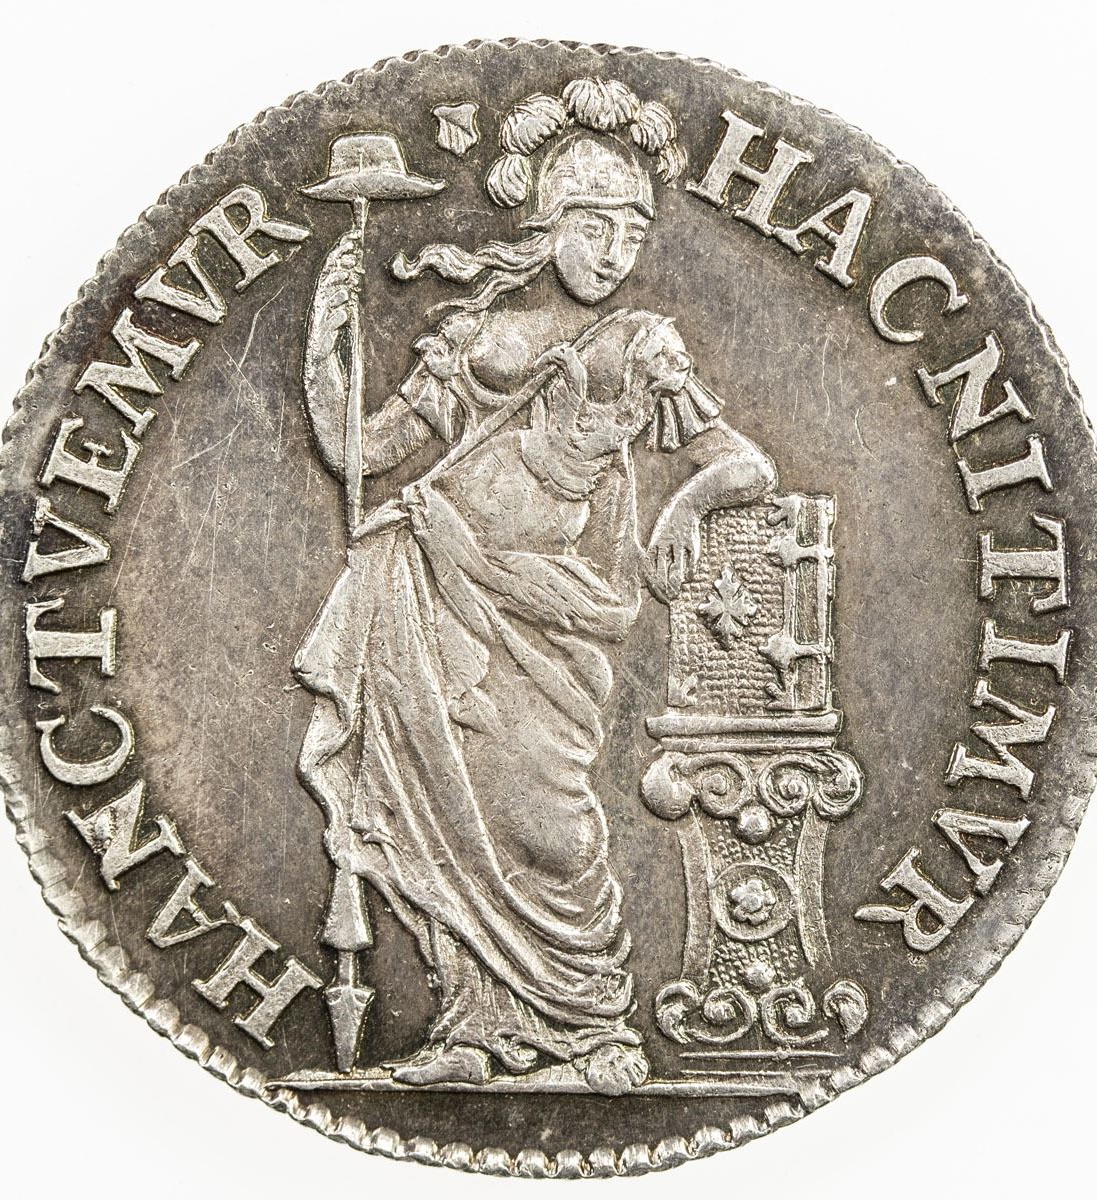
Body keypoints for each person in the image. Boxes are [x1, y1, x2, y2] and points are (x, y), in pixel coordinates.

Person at [293, 79, 776, 1094]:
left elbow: (743, 464)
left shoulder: (641, 345)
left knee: (547, 822)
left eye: (633, 232)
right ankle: (472, 1029)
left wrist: (679, 512)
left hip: (554, 621)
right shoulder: (471, 340)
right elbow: (359, 454)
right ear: (548, 225)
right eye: (595, 226)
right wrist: (322, 357)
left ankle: (597, 1033)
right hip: (434, 602)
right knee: (440, 812)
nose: (615, 251)